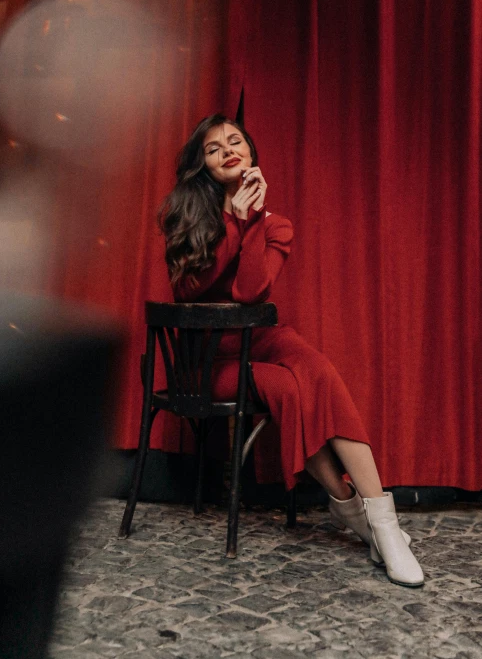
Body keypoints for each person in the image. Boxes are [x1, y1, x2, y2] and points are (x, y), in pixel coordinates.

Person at [159, 113, 424, 588]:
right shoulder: (188, 215)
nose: (227, 150)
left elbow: (251, 290)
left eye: (235, 141)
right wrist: (231, 221)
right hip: (207, 360)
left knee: (315, 371)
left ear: (253, 156)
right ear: (203, 165)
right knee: (287, 386)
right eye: (214, 148)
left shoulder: (277, 226)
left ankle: (381, 519)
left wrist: (252, 222)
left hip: (258, 340)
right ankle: (353, 515)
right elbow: (198, 291)